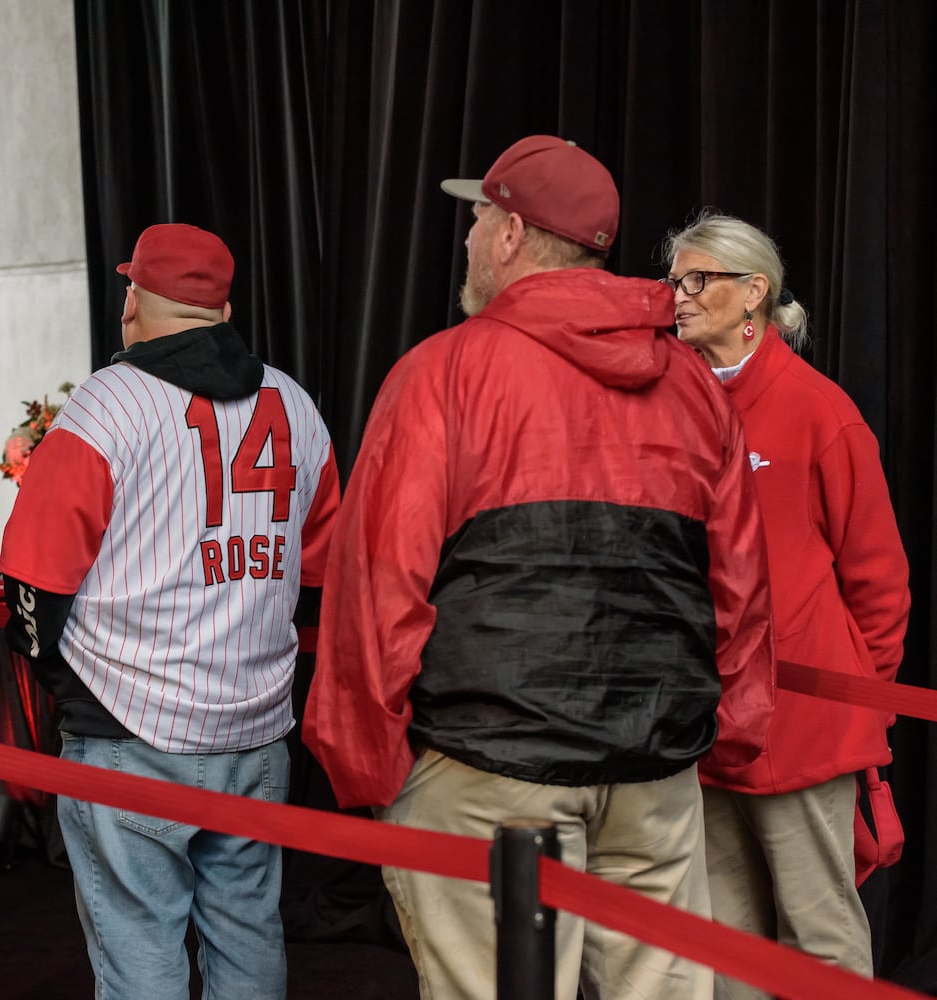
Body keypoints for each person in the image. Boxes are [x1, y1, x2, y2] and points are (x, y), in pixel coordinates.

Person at [302, 136, 778, 1000]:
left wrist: (364, 761)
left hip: (488, 770)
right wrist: (732, 737)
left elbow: (378, 586)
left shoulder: (444, 372)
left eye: (480, 218)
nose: (470, 238)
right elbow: (739, 587)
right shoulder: (695, 387)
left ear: (513, 234)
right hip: (655, 774)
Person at [0, 222, 340, 1000]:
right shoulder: (293, 401)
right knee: (249, 931)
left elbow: (30, 580)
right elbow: (324, 567)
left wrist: (63, 688)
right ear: (223, 311)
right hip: (255, 727)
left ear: (132, 303)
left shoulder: (106, 402)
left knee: (140, 946)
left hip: (130, 725)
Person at [664, 213, 910, 996]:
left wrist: (858, 707)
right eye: (675, 281)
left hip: (806, 727)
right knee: (728, 934)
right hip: (707, 722)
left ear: (754, 296)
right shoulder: (672, 401)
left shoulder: (819, 410)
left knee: (819, 930)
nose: (680, 296)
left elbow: (879, 580)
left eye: (699, 280)